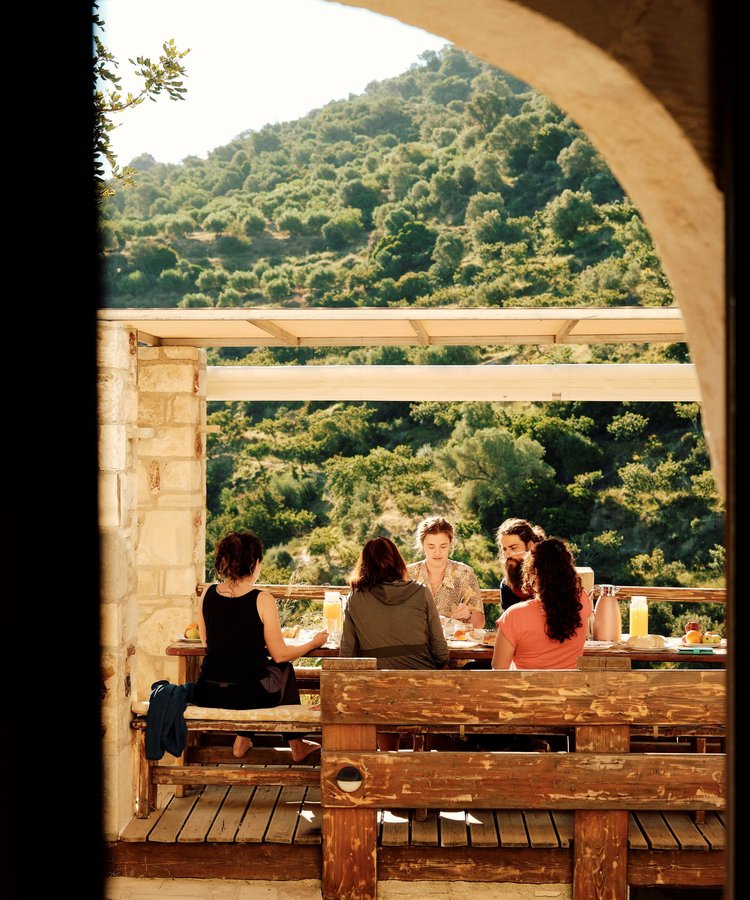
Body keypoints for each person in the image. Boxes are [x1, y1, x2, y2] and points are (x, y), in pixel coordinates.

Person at [192, 530, 328, 761]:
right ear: (255, 563)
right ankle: (297, 746)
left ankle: (244, 739)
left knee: (259, 672)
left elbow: (207, 641)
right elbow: (281, 654)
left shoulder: (207, 593)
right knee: (284, 669)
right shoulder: (262, 598)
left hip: (208, 691)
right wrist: (313, 643)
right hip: (248, 695)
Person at [340, 536, 449, 750]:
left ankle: (388, 755)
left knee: (378, 693)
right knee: (438, 676)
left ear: (364, 565)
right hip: (420, 686)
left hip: (379, 690)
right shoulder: (421, 592)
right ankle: (422, 754)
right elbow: (440, 650)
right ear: (398, 561)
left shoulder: (355, 598)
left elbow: (347, 654)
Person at [492, 536, 592, 670]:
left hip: (526, 690)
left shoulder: (514, 616)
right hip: (571, 689)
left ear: (533, 573)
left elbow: (498, 670)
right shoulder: (582, 601)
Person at [406, 515, 486, 628]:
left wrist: (468, 616)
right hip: (415, 642)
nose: (437, 552)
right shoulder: (408, 574)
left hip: (454, 643)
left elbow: (480, 622)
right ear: (422, 545)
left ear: (450, 544)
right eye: (431, 547)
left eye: (443, 546)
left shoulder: (464, 573)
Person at [495, 517, 547, 611]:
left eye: (513, 548)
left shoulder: (552, 578)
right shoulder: (507, 586)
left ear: (531, 546)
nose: (507, 555)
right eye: (504, 549)